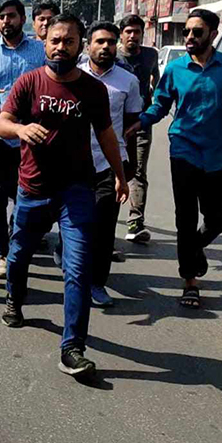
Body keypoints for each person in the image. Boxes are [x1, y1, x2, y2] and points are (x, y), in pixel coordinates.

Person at [0, 13, 128, 377]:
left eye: (69, 41)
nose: (61, 47)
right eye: (55, 40)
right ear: (45, 43)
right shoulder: (29, 82)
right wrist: (21, 129)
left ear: (80, 46)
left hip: (76, 190)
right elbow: (0, 124)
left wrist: (120, 176)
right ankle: (13, 299)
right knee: (19, 253)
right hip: (33, 188)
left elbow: (106, 136)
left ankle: (72, 347)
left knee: (79, 267)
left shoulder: (92, 89)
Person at [127, 8, 222, 308]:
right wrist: (140, 122)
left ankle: (194, 248)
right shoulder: (176, 69)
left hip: (218, 153)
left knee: (217, 219)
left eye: (198, 32)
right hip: (183, 148)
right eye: (188, 32)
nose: (190, 37)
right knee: (185, 218)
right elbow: (160, 105)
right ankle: (189, 281)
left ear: (213, 34)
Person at [0, 0, 46, 279]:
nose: (5, 21)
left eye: (11, 16)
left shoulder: (40, 52)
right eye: (1, 17)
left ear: (22, 18)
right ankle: (0, 253)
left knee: (27, 198)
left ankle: (18, 244)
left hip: (29, 138)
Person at [76, 22, 141, 307]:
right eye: (100, 41)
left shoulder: (128, 81)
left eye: (111, 42)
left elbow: (130, 124)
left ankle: (96, 283)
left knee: (104, 228)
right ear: (88, 45)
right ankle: (72, 268)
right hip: (73, 163)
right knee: (74, 224)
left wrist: (124, 169)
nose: (106, 47)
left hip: (108, 165)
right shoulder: (73, 76)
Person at [117, 14, 160, 244]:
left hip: (141, 122)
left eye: (137, 32)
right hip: (114, 123)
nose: (133, 36)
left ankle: (135, 221)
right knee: (111, 170)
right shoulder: (112, 56)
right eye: (129, 32)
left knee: (138, 171)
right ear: (121, 34)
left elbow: (157, 83)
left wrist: (153, 109)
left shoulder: (151, 55)